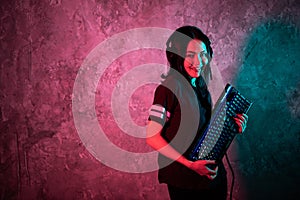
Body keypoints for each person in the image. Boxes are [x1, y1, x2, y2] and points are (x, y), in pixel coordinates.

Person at [146, 26, 248, 200]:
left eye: (202, 54)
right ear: (177, 56)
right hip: (185, 182)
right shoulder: (168, 89)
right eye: (190, 55)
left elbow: (203, 131)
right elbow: (152, 137)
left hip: (211, 178)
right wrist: (190, 164)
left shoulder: (199, 85)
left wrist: (233, 126)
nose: (199, 61)